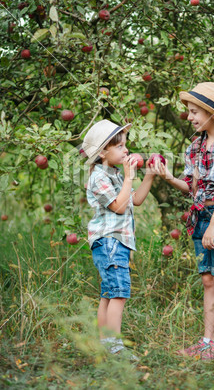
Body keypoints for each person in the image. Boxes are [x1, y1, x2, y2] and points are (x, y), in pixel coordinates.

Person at [150, 82, 214, 360]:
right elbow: (193, 186)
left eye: (195, 112)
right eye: (189, 112)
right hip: (200, 215)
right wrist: (170, 178)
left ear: (211, 112)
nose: (190, 117)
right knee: (207, 280)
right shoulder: (195, 146)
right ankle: (207, 341)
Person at [82, 119, 156, 358]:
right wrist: (128, 178)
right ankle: (114, 347)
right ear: (103, 152)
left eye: (126, 145)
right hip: (109, 241)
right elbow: (120, 207)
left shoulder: (114, 173)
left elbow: (135, 200)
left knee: (109, 293)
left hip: (118, 242)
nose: (127, 150)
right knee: (119, 293)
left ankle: (105, 344)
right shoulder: (98, 177)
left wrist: (149, 177)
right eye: (120, 146)